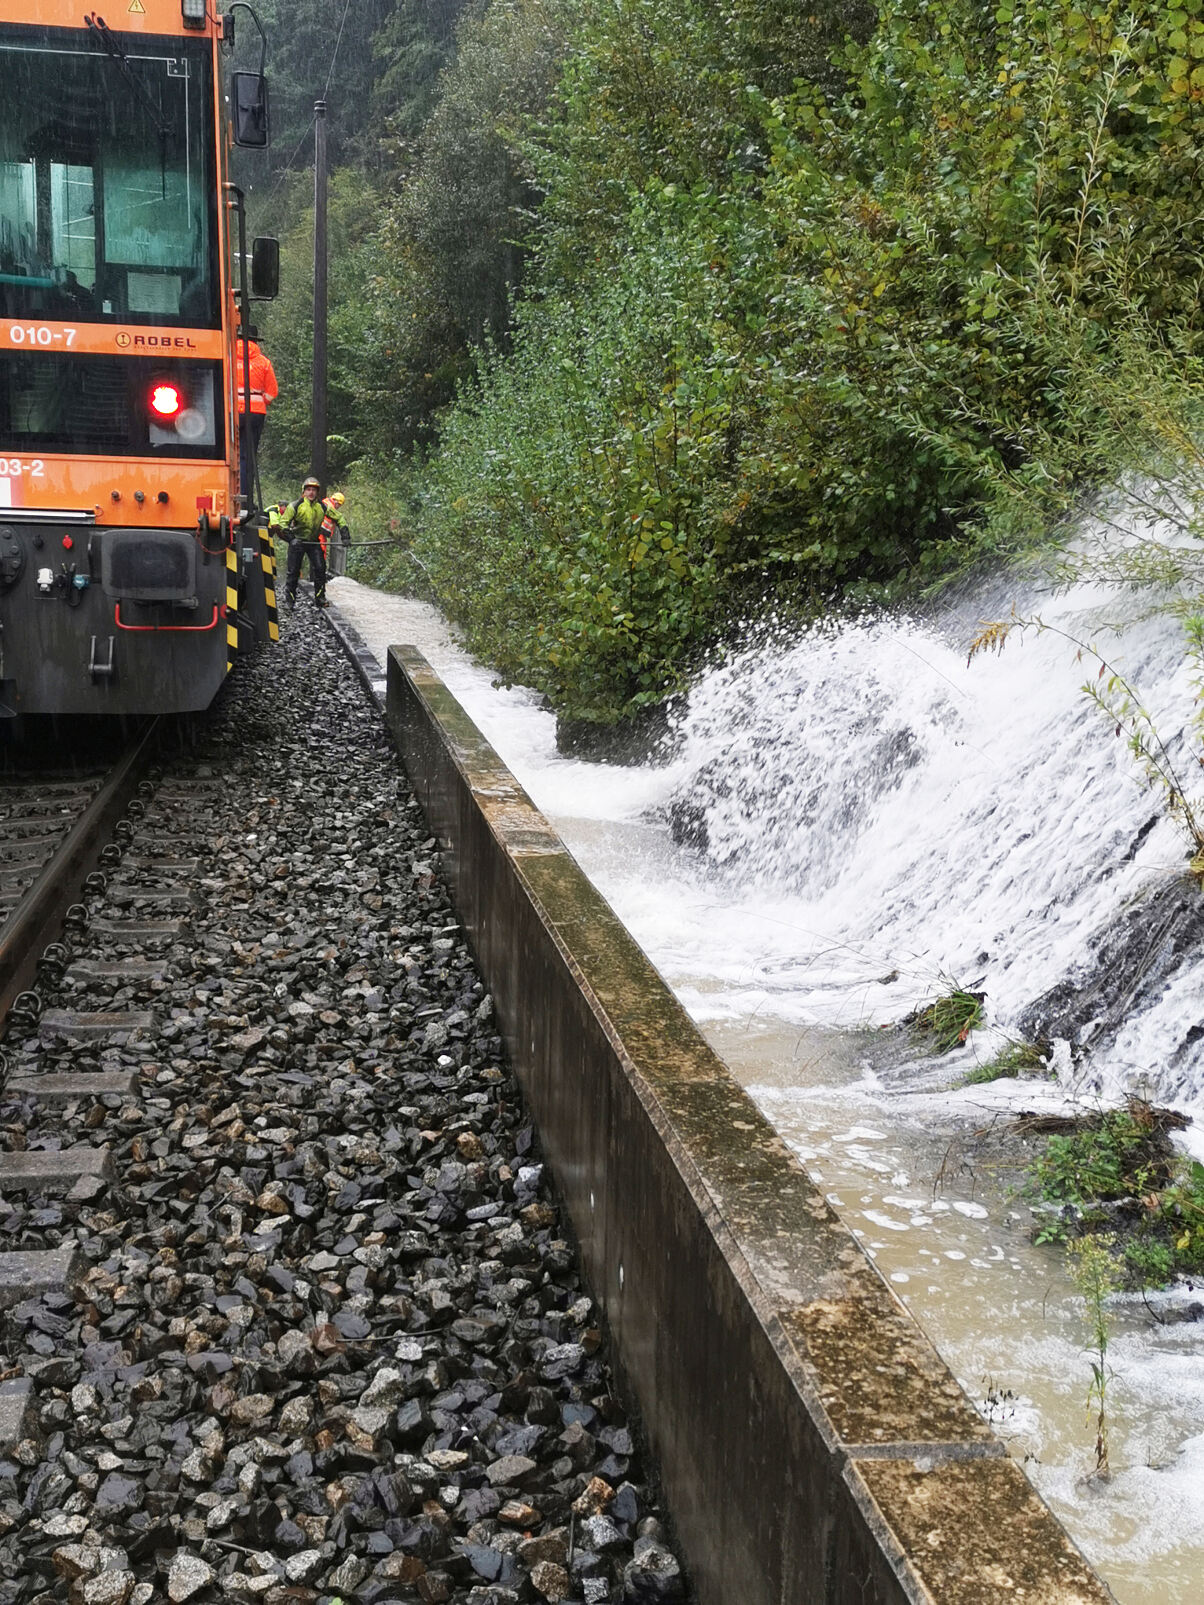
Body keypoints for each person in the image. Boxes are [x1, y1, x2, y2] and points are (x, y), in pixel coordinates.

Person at [280, 476, 347, 609]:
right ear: (304, 491)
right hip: (297, 542)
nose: (311, 492)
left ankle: (320, 598)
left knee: (320, 570)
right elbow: (283, 524)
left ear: (317, 492)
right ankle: (290, 601)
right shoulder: (295, 506)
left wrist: (345, 536)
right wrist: (291, 539)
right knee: (293, 572)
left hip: (314, 543)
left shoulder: (322, 506)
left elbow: (339, 518)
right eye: (308, 489)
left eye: (314, 490)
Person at [235, 326, 279, 507]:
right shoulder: (264, 363)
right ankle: (246, 498)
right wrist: (258, 400)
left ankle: (232, 493)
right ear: (255, 341)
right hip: (255, 414)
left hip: (233, 411)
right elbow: (271, 393)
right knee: (248, 456)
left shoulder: (228, 356)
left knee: (231, 455)